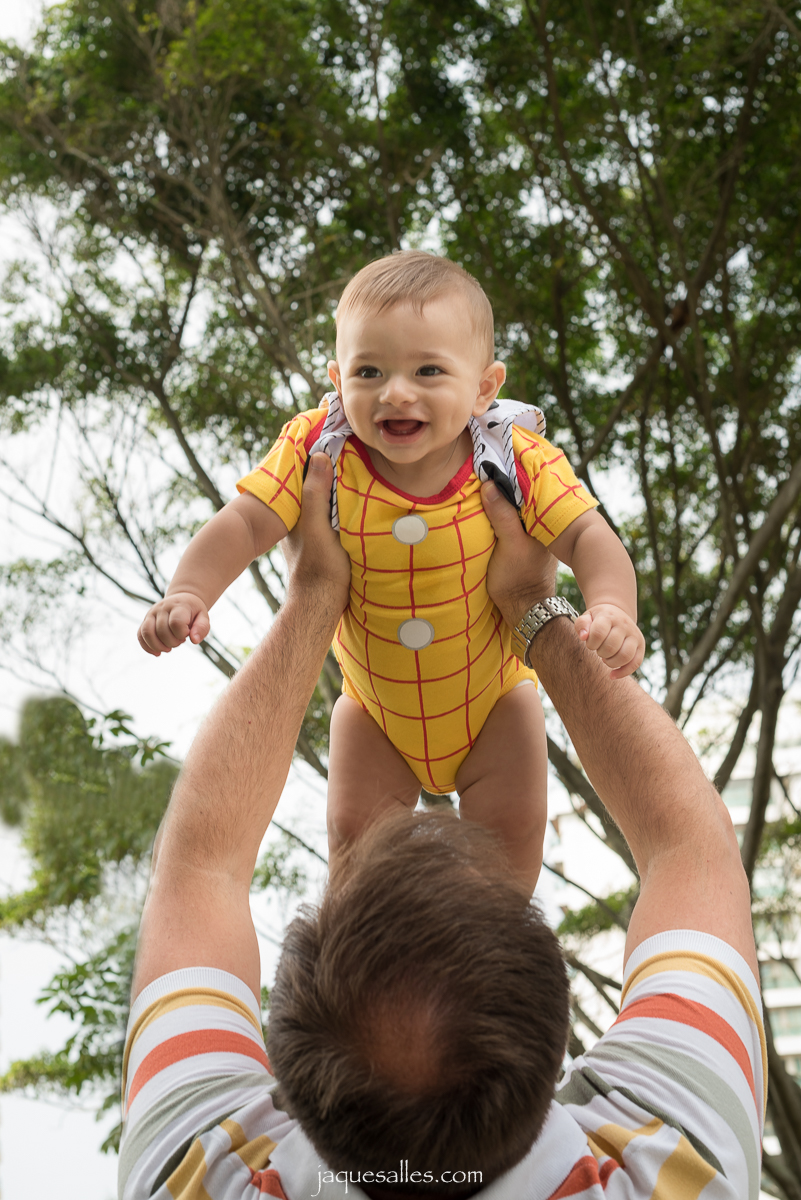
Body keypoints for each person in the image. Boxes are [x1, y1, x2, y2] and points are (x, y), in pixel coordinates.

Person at [119, 455, 764, 1200]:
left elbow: (201, 865)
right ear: (556, 1036)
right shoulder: (672, 1177)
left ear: (290, 1073)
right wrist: (531, 604)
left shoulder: (198, 1183)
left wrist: (313, 598)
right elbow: (692, 846)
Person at [138, 251, 644, 894]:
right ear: (338, 378)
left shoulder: (513, 456)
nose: (395, 391)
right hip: (375, 710)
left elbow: (587, 533)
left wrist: (611, 608)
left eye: (428, 369)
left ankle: (496, 944)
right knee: (354, 839)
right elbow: (243, 522)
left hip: (492, 701)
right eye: (369, 371)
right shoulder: (319, 446)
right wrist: (188, 590)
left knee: (512, 832)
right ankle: (362, 954)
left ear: (485, 387)